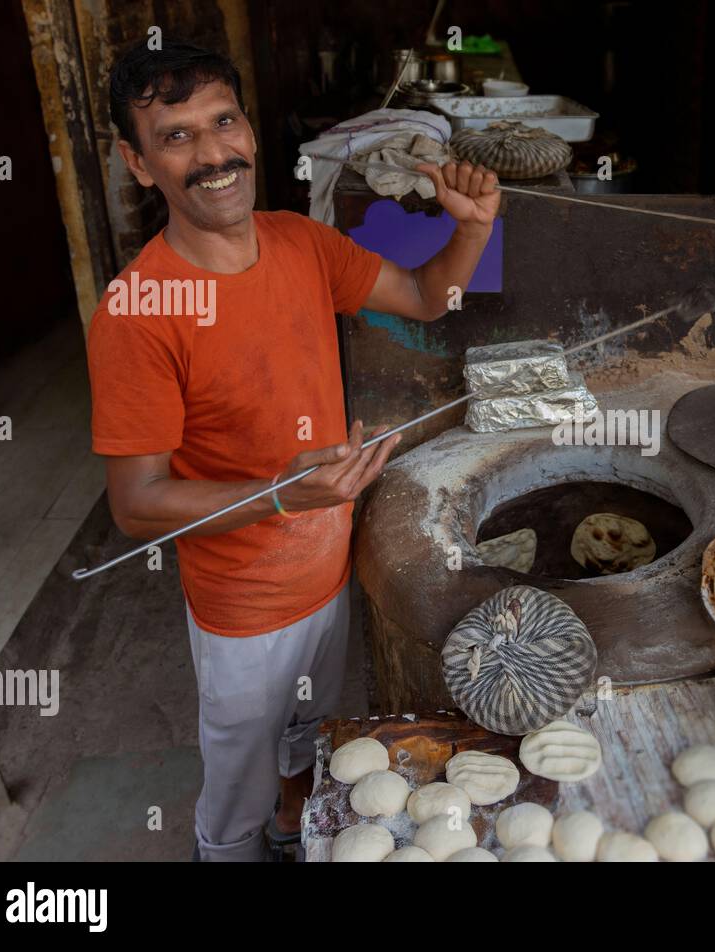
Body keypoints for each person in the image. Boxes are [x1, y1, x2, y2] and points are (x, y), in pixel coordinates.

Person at [86, 38, 498, 861]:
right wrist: (277, 493)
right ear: (138, 163)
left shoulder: (300, 244)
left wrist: (475, 231)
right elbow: (136, 506)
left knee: (305, 743)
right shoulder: (138, 312)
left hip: (323, 568)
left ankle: (291, 825)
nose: (213, 155)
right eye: (177, 137)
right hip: (243, 608)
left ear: (247, 129)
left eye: (223, 121)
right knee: (234, 785)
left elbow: (424, 297)